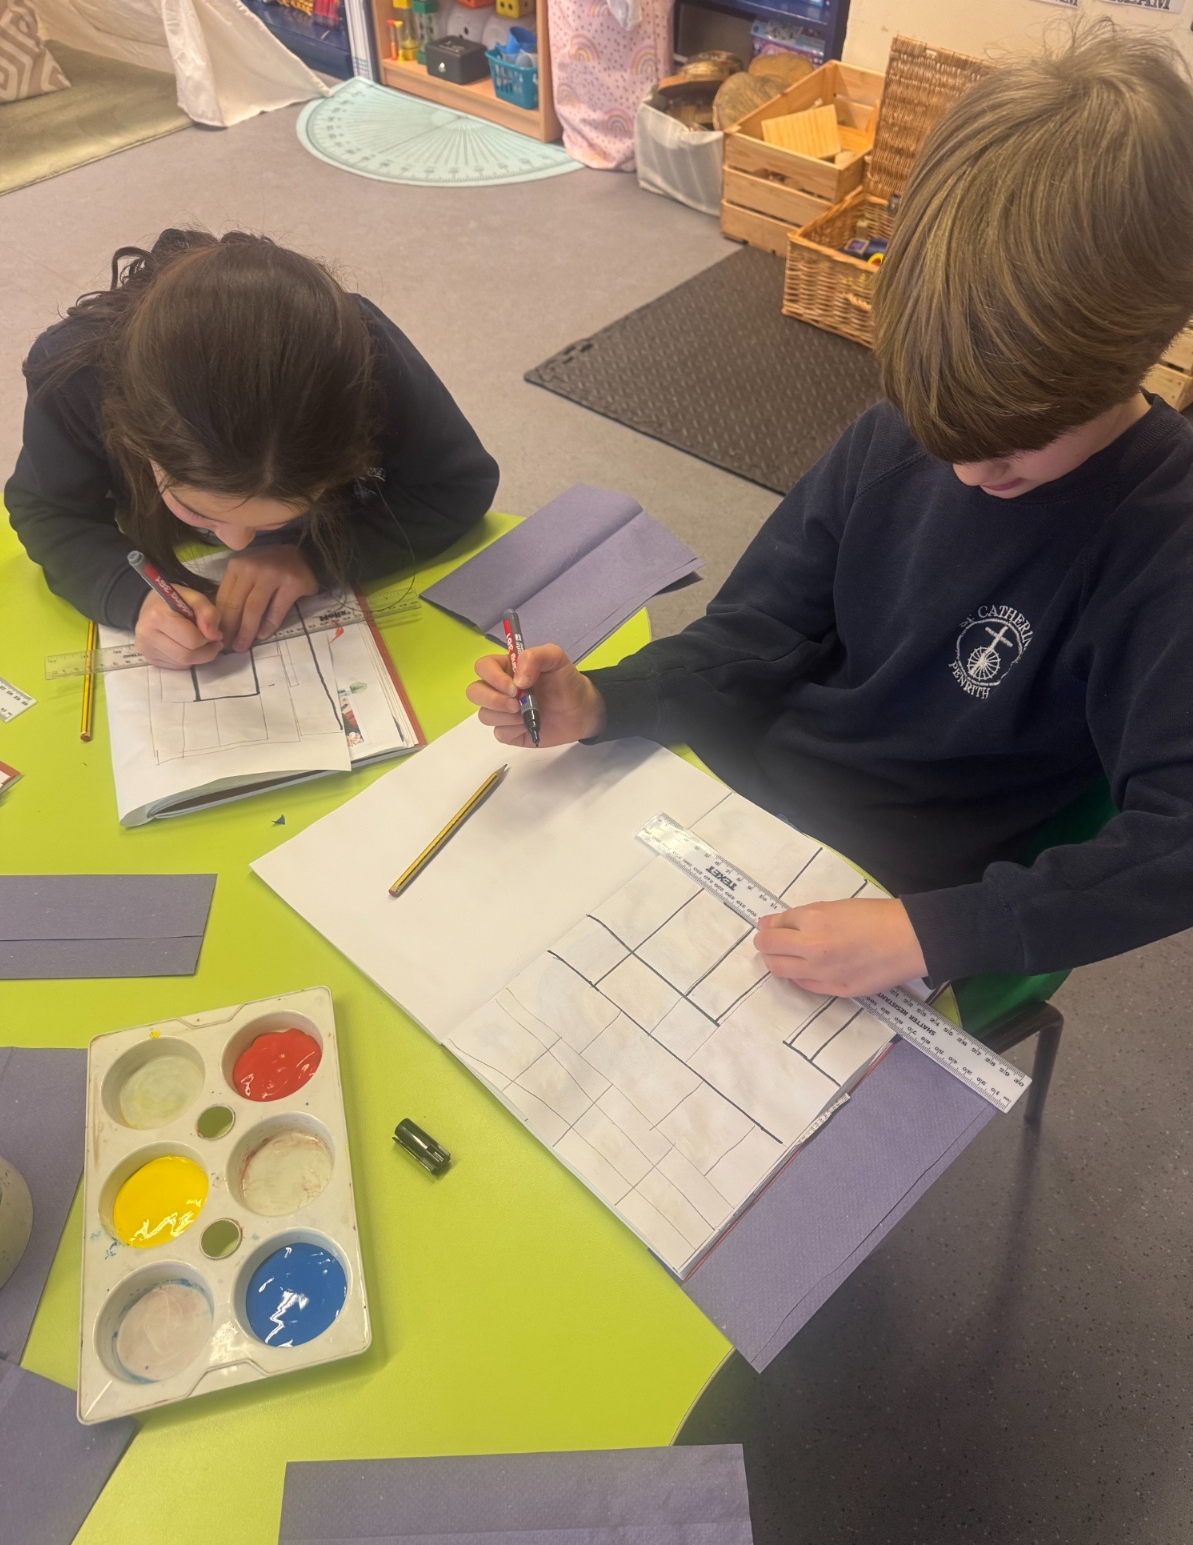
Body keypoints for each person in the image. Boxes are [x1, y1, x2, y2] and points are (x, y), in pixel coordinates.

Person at [467, 27, 1193, 999]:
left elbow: (1177, 841)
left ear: (1146, 343)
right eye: (941, 435)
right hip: (744, 802)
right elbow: (757, 628)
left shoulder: (1164, 540)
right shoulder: (899, 433)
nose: (968, 472)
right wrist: (607, 700)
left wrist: (933, 932)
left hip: (903, 895)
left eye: (1014, 449)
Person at [6, 228, 498, 667]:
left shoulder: (368, 359)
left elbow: (456, 485)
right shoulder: (75, 375)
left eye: (274, 521)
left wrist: (310, 558)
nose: (237, 544)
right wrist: (133, 596)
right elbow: (48, 511)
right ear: (133, 438)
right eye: (200, 512)